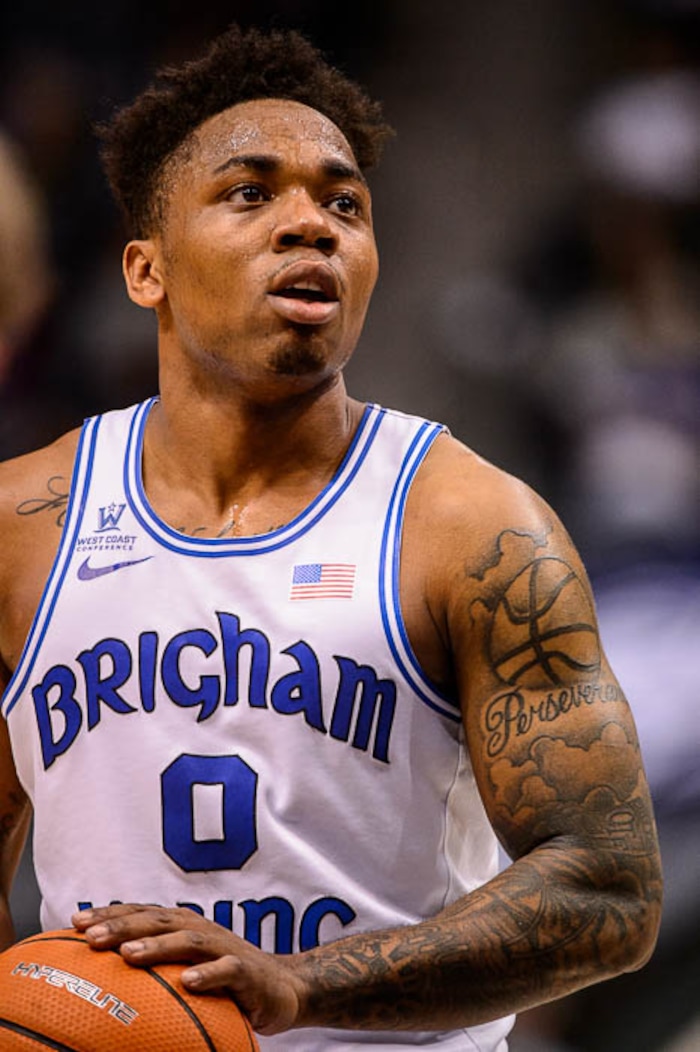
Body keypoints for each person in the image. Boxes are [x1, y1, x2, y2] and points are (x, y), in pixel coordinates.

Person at [0, 23, 662, 1052]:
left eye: (342, 202)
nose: (310, 224)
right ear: (146, 269)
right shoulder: (19, 526)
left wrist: (299, 985)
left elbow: (611, 891)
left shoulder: (474, 526)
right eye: (251, 193)